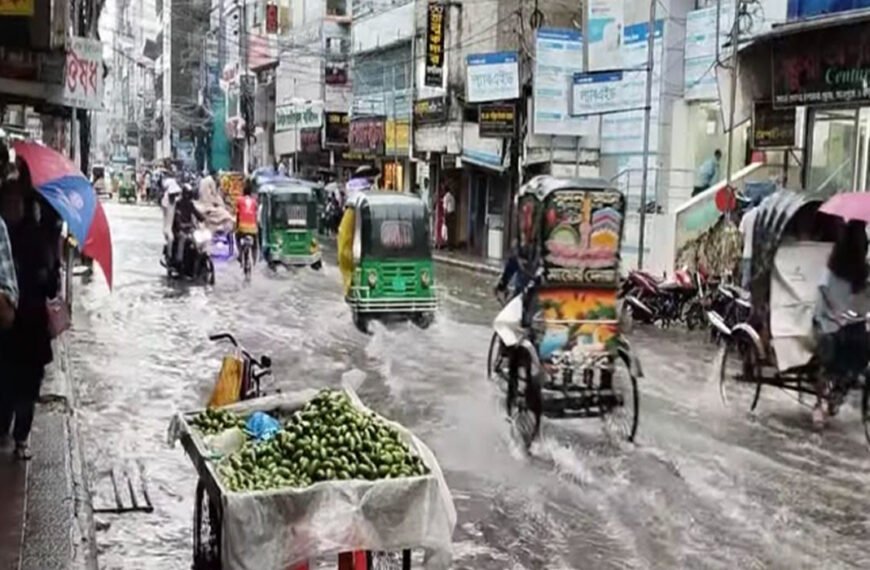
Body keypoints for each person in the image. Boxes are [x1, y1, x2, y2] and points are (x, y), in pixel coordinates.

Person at [0, 178, 60, 459]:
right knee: (7, 384)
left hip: (31, 329)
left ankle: (21, 438)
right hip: (7, 328)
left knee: (26, 387)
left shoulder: (37, 238)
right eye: (7, 201)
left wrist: (47, 271)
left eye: (17, 201)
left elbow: (52, 286)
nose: (13, 206)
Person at [812, 219, 870, 427]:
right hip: (828, 322)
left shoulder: (861, 274)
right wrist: (837, 314)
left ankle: (844, 385)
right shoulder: (833, 270)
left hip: (851, 323)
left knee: (863, 344)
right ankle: (820, 402)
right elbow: (823, 295)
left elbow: (863, 302)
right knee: (831, 348)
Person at [172, 183, 205, 268]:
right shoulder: (178, 204)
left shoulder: (190, 204)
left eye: (189, 194)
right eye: (187, 194)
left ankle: (198, 256)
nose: (188, 196)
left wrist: (203, 218)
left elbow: (196, 213)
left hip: (189, 229)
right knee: (183, 238)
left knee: (199, 239)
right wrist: (181, 225)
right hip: (179, 229)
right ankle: (179, 260)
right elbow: (177, 218)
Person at [235, 180, 258, 264]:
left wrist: (236, 227)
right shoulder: (254, 201)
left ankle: (240, 254)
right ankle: (255, 258)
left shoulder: (239, 200)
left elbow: (237, 215)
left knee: (236, 237)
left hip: (242, 227)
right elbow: (255, 216)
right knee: (255, 243)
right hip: (253, 228)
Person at [738, 205, 758, 290]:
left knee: (746, 283)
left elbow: (741, 236)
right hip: (760, 255)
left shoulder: (746, 217)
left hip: (747, 254)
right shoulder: (763, 214)